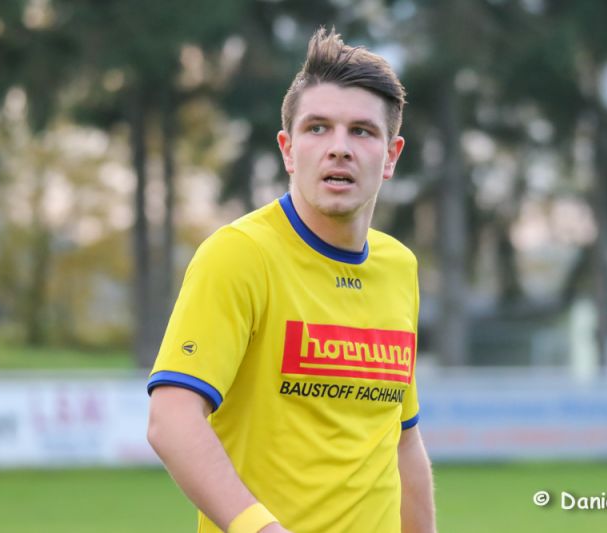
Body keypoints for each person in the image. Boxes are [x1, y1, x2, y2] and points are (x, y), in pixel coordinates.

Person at [147, 27, 436, 533]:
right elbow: (171, 419)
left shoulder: (399, 267)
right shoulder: (240, 254)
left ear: (391, 156)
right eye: (318, 128)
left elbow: (402, 440)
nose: (339, 148)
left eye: (362, 132)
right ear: (288, 149)